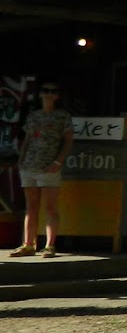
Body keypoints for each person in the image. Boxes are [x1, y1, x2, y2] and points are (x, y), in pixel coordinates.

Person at [12, 82, 73, 257]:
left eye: (53, 91)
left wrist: (58, 162)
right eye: (45, 91)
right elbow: (27, 139)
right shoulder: (33, 116)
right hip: (29, 165)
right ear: (40, 94)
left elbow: (68, 141)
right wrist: (21, 160)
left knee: (50, 207)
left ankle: (49, 245)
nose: (48, 94)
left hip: (49, 167)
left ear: (57, 96)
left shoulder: (62, 116)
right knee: (31, 207)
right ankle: (28, 244)